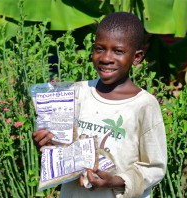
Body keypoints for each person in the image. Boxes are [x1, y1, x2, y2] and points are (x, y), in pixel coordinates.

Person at [33, 12, 167, 198]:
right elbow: (60, 146)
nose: (106, 58)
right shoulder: (78, 93)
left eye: (118, 51)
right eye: (99, 49)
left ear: (137, 57)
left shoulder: (144, 105)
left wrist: (116, 181)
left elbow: (154, 166)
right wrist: (46, 143)